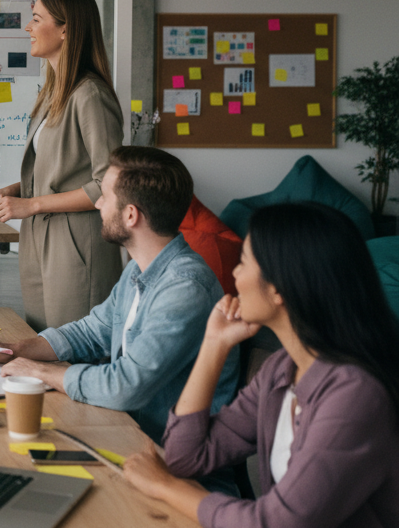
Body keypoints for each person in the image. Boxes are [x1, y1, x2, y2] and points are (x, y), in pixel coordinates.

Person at [123, 203, 399, 527]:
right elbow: (187, 458)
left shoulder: (355, 394)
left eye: (242, 262)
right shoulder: (282, 369)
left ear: (279, 288)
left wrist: (164, 486)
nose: (235, 275)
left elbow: (274, 523)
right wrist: (214, 345)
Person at [0, 147, 239, 444]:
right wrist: (12, 350)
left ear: (131, 215)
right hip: (129, 433)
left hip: (167, 455)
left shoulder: (185, 288)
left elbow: (126, 385)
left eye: (105, 196)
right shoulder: (140, 267)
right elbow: (91, 332)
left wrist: (40, 372)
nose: (97, 204)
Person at [0, 0, 123, 330]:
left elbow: (109, 184)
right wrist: (19, 190)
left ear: (65, 29)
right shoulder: (53, 92)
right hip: (39, 239)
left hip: (75, 244)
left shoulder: (90, 94)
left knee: (72, 349)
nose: (28, 28)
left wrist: (31, 205)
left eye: (36, 19)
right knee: (45, 343)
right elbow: (61, 169)